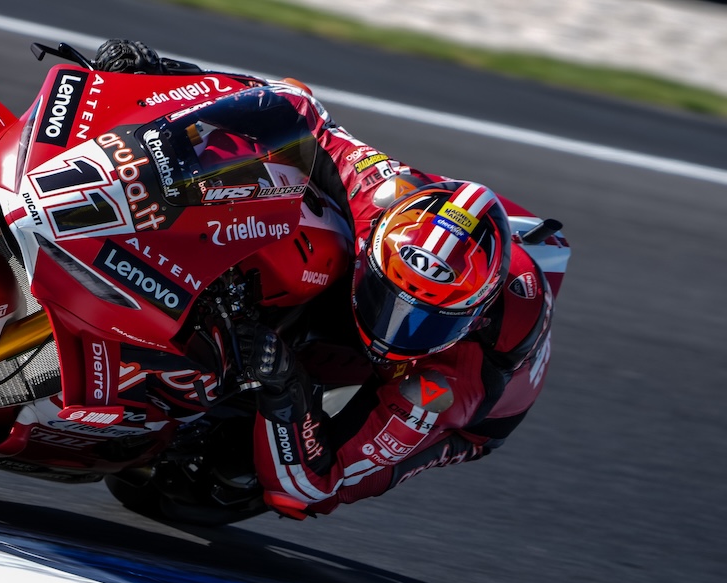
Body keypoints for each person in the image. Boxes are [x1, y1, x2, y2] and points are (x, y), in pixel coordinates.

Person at [93, 40, 556, 520]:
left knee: (245, 468)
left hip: (463, 410)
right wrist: (157, 71)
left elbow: (318, 487)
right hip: (419, 231)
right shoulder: (380, 194)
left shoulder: (443, 387)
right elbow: (293, 105)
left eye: (423, 321)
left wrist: (284, 385)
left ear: (471, 318)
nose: (392, 331)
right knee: (281, 183)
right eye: (389, 299)